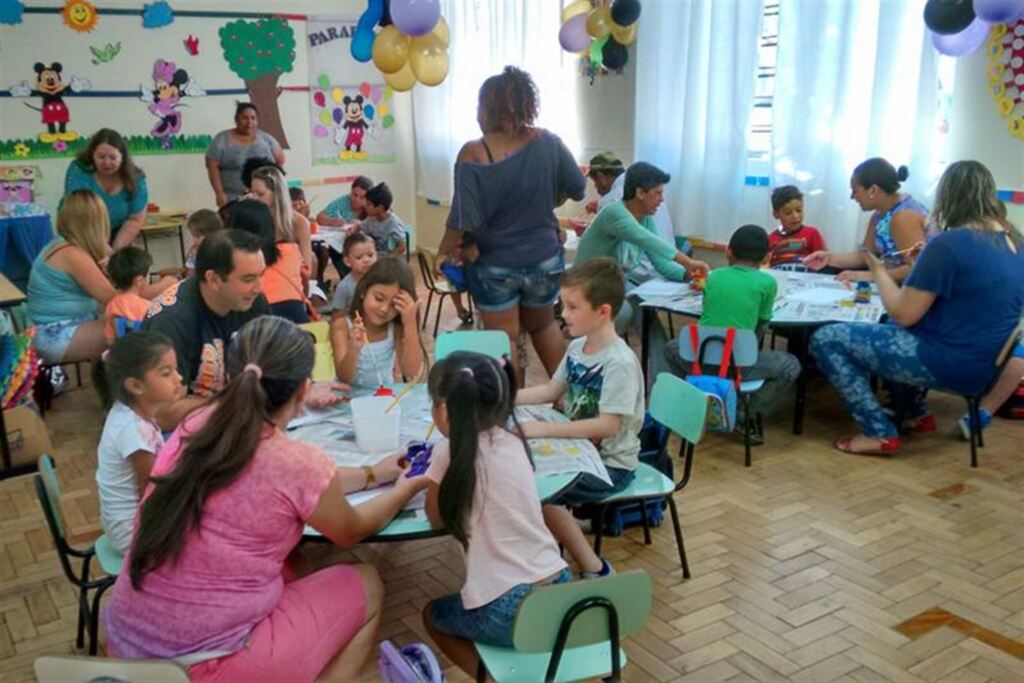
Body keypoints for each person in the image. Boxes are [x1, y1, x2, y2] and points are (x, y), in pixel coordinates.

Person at [102, 316, 429, 681]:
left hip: (127, 645)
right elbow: (350, 530)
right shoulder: (293, 461)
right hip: (204, 666)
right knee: (367, 580)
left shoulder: (195, 426)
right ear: (304, 388)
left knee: (296, 564)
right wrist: (405, 487)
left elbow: (305, 485)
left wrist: (377, 473)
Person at [811, 160, 1024, 455]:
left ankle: (879, 433)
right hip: (989, 364)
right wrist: (918, 263)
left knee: (827, 338)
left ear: (949, 197)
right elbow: (967, 295)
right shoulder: (1016, 242)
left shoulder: (950, 243)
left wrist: (878, 270)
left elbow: (903, 312)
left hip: (950, 362)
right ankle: (914, 413)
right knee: (889, 327)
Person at [422, 351, 570, 676]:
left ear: (445, 411)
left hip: (504, 609)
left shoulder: (446, 453)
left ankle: (490, 679)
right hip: (561, 587)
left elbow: (435, 518)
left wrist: (415, 484)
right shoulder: (515, 442)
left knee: (433, 616)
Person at [437, 66, 587, 382]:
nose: (476, 113)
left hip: (495, 263)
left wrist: (444, 250)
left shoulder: (474, 152)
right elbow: (577, 187)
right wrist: (547, 202)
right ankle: (573, 404)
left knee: (503, 340)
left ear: (490, 108)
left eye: (479, 105)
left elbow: (464, 218)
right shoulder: (548, 141)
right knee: (544, 327)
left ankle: (513, 413)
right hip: (545, 258)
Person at [516, 259, 643, 578]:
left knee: (538, 493)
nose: (563, 314)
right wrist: (501, 399)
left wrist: (545, 429)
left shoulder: (619, 363)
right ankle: (540, 556)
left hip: (610, 466)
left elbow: (607, 425)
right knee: (518, 474)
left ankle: (595, 567)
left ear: (602, 312)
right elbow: (550, 389)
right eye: (563, 305)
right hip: (577, 452)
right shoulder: (576, 349)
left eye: (573, 307)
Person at [666, 225, 801, 434]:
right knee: (791, 365)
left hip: (699, 360)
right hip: (739, 365)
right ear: (767, 257)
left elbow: (711, 315)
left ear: (728, 251)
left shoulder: (713, 276)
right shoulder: (767, 283)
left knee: (672, 348)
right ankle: (740, 411)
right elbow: (761, 325)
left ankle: (696, 399)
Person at [143, 230, 269, 428]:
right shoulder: (171, 322)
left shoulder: (251, 301)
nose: (258, 288)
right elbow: (162, 415)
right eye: (248, 279)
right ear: (214, 280)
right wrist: (233, 402)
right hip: (180, 431)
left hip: (229, 416)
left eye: (261, 276)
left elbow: (272, 362)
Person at [92, 332, 182, 552]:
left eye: (175, 369)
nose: (178, 378)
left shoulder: (135, 413)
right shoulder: (132, 430)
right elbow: (152, 490)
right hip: (132, 533)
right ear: (135, 385)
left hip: (131, 521)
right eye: (166, 373)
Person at [803, 158, 929, 282]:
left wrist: (867, 276)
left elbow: (918, 269)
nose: (852, 197)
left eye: (855, 191)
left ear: (873, 190)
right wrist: (828, 258)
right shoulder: (879, 215)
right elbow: (866, 256)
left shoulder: (904, 216)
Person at [27, 190, 115, 363]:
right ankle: (121, 385)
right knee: (132, 328)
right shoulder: (73, 255)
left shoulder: (59, 244)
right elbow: (115, 298)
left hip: (45, 330)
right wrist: (160, 285)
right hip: (52, 336)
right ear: (96, 223)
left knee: (124, 320)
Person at [330, 258, 424, 388]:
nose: (384, 309)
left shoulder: (395, 328)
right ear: (363, 291)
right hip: (347, 396)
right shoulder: (342, 325)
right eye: (379, 299)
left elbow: (411, 371)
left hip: (382, 398)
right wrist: (354, 348)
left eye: (394, 305)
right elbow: (343, 377)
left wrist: (410, 323)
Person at [64, 129, 149, 250]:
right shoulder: (79, 171)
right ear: (92, 155)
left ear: (122, 157)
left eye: (113, 157)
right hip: (80, 231)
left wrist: (115, 252)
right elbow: (78, 216)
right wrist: (102, 249)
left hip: (117, 233)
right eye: (101, 157)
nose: (107, 162)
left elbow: (135, 219)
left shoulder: (136, 178)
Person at [227, 200, 309, 324]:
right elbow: (304, 281)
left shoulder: (234, 258)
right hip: (296, 319)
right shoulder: (291, 249)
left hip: (256, 321)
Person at [205, 103, 285, 208]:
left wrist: (277, 189)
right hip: (233, 197)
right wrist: (219, 193)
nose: (249, 122)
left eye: (253, 118)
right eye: (244, 118)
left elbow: (280, 160)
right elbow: (212, 167)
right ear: (236, 119)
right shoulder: (222, 140)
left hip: (263, 198)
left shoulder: (265, 138)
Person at [249, 165, 314, 272]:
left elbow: (307, 269)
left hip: (290, 279)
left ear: (277, 194)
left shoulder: (300, 223)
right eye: (252, 193)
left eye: (260, 194)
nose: (254, 198)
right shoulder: (252, 219)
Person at [104, 247, 155, 343]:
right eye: (148, 274)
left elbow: (109, 339)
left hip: (121, 353)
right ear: (139, 281)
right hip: (144, 353)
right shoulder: (147, 306)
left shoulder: (111, 305)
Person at [767, 185, 827, 267]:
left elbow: (822, 262)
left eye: (799, 210)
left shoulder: (812, 234)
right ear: (776, 214)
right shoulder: (770, 239)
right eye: (788, 213)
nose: (795, 216)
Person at [330, 232, 377, 317]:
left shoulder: (382, 279)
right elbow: (338, 314)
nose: (366, 260)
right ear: (347, 261)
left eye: (370, 255)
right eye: (359, 257)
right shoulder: (344, 287)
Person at [359, 182, 407, 259]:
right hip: (373, 256)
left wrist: (387, 260)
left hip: (386, 260)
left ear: (380, 208)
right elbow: (361, 227)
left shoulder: (394, 223)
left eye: (368, 204)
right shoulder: (372, 218)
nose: (365, 206)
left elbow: (402, 247)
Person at [183, 209, 223, 278]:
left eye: (198, 236)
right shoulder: (194, 253)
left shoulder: (224, 251)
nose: (194, 241)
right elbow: (189, 275)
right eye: (193, 236)